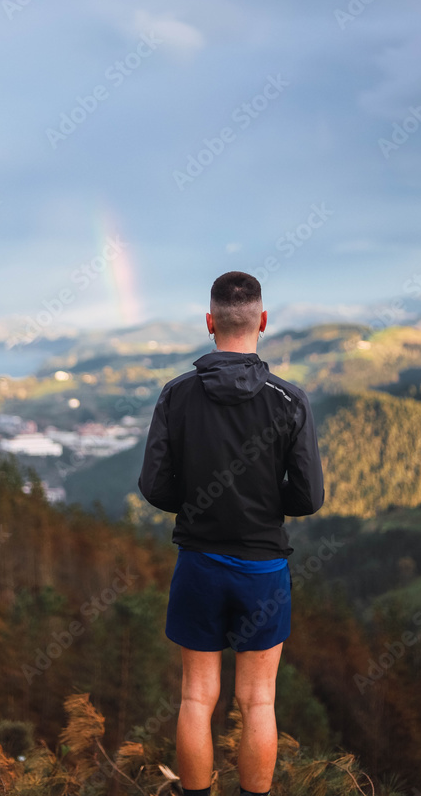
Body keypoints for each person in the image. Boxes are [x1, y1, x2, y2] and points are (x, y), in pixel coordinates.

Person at [137, 271, 325, 796]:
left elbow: (154, 485)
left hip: (199, 564)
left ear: (209, 323)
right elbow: (308, 497)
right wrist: (264, 507)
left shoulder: (176, 396)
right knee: (258, 700)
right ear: (262, 321)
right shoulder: (289, 401)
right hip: (264, 567)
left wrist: (199, 503)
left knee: (197, 698)